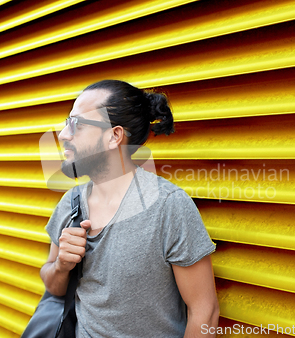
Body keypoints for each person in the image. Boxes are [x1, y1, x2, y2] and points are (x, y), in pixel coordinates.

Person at [40, 79, 219, 337]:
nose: (63, 134)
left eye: (76, 124)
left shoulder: (167, 206)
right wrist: (61, 266)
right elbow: (53, 285)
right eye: (67, 123)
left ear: (114, 136)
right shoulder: (71, 203)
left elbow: (205, 311)